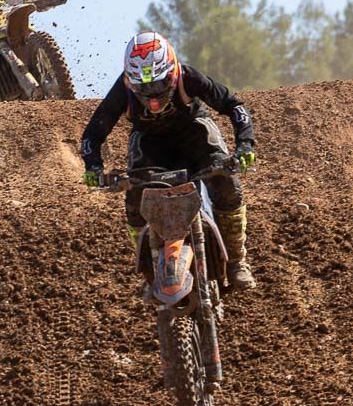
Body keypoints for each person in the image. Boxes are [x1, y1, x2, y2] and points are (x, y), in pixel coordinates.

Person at [80, 31, 257, 289]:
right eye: (143, 88)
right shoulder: (123, 89)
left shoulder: (189, 77)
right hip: (151, 145)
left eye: (158, 85)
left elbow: (234, 106)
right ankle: (150, 271)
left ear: (172, 71)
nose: (152, 98)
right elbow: (92, 134)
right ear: (131, 81)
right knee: (134, 199)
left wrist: (244, 146)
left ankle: (237, 262)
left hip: (195, 137)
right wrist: (93, 167)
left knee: (227, 185)